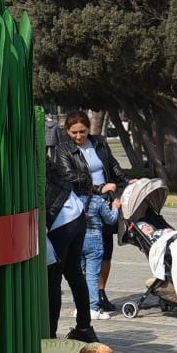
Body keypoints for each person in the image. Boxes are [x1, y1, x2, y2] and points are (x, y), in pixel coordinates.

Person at [54, 111, 129, 313]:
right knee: (84, 253)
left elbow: (112, 166)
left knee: (105, 250)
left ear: (89, 128)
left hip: (104, 202)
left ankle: (100, 293)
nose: (79, 136)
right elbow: (69, 177)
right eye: (74, 132)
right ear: (67, 131)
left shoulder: (99, 143)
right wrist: (98, 189)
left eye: (83, 131)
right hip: (82, 205)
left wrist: (125, 182)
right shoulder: (63, 150)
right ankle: (86, 299)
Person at [46, 159, 96, 343]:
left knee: (53, 280)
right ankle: (84, 327)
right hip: (75, 212)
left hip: (61, 220)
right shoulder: (45, 165)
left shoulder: (31, 169)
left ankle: (50, 334)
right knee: (74, 272)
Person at [82, 193, 122, 322]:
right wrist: (115, 207)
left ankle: (80, 307)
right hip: (94, 240)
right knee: (92, 275)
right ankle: (93, 308)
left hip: (78, 239)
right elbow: (111, 219)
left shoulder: (74, 198)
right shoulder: (98, 201)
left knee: (80, 275)